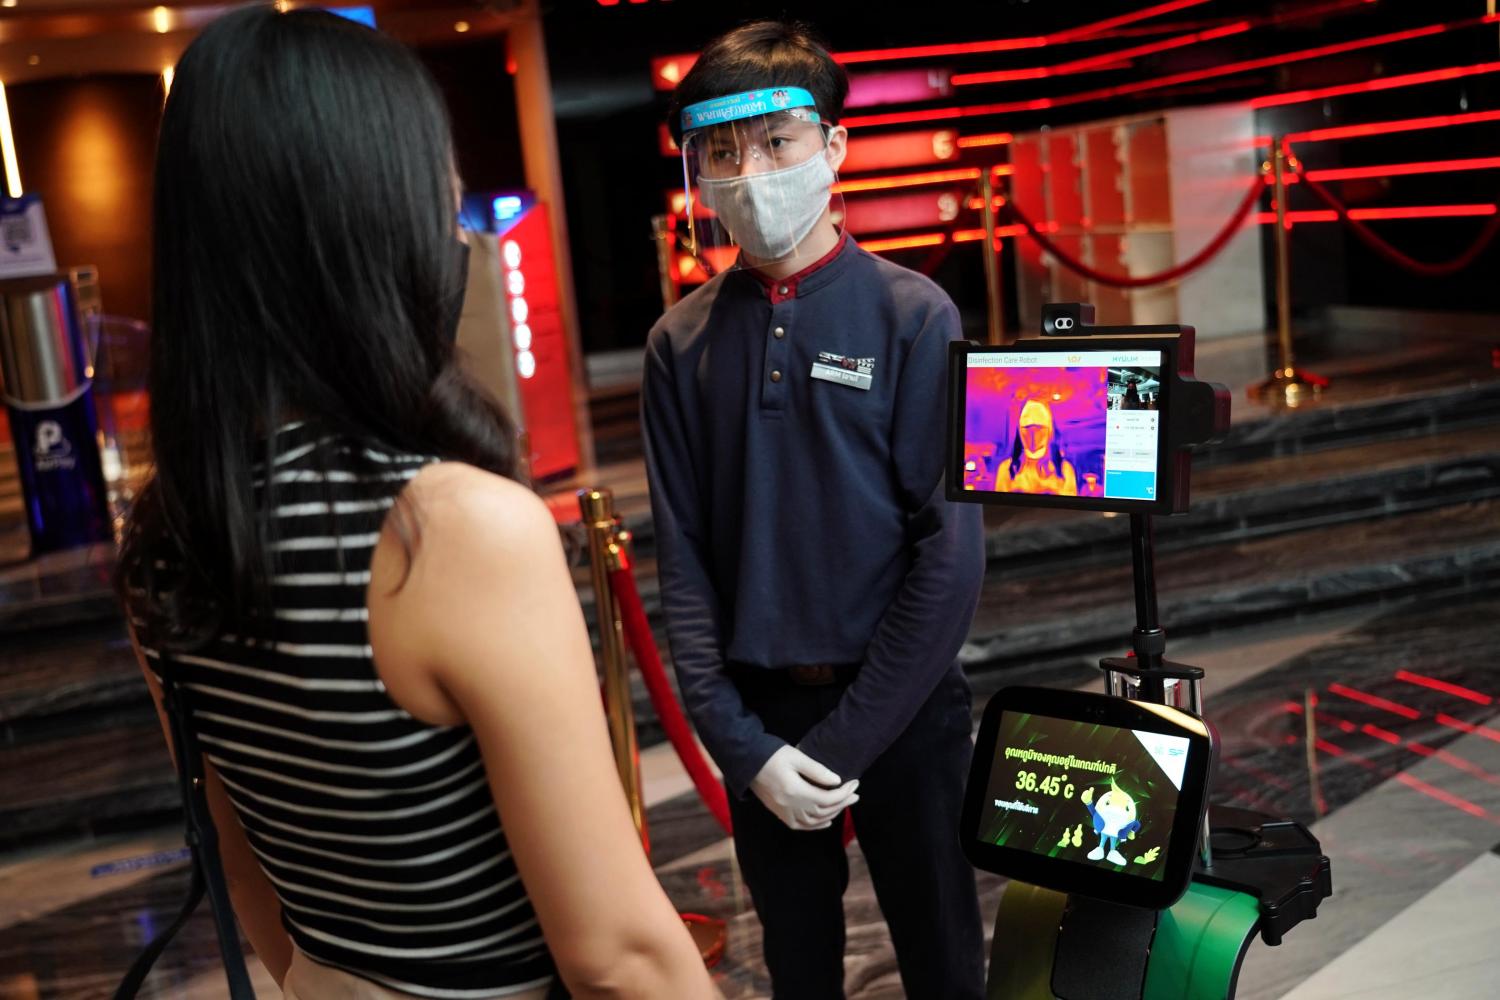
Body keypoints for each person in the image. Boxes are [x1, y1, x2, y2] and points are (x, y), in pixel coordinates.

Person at [116, 9, 714, 999]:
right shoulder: (444, 530)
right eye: (440, 196)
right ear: (371, 228)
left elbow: (248, 882)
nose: (455, 229)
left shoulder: (166, 541)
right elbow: (620, 953)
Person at [642, 21, 987, 1000]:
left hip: (906, 709)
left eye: (777, 142)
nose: (749, 173)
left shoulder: (916, 314)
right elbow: (687, 568)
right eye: (722, 150)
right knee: (800, 974)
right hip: (760, 716)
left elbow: (950, 559)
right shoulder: (681, 344)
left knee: (944, 967)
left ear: (833, 146)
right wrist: (749, 751)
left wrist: (835, 751)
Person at [995, 399, 1078, 496]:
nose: (1033, 434)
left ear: (1050, 430)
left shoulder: (1065, 470)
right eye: (1027, 428)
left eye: (1039, 428)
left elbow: (1069, 508)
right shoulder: (1006, 468)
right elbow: (1000, 507)